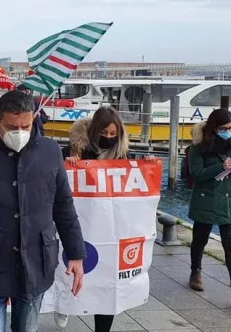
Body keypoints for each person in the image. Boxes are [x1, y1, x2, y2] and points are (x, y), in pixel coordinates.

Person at [0, 90, 86, 332]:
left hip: (35, 263)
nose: (19, 132)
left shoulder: (50, 152)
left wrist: (76, 254)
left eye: (26, 126)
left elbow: (64, 206)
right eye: (12, 126)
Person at [60, 106, 156, 332]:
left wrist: (147, 165)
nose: (109, 138)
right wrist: (69, 161)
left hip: (108, 226)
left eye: (114, 135)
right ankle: (62, 304)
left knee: (106, 278)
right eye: (105, 134)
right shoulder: (75, 149)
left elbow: (134, 181)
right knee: (67, 268)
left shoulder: (121, 154)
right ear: (94, 131)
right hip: (80, 222)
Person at [187, 108, 231, 307]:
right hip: (206, 198)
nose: (228, 131)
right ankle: (196, 271)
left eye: (230, 128)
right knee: (200, 239)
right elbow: (197, 174)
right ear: (213, 128)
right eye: (223, 128)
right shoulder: (198, 147)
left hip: (228, 199)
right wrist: (221, 167)